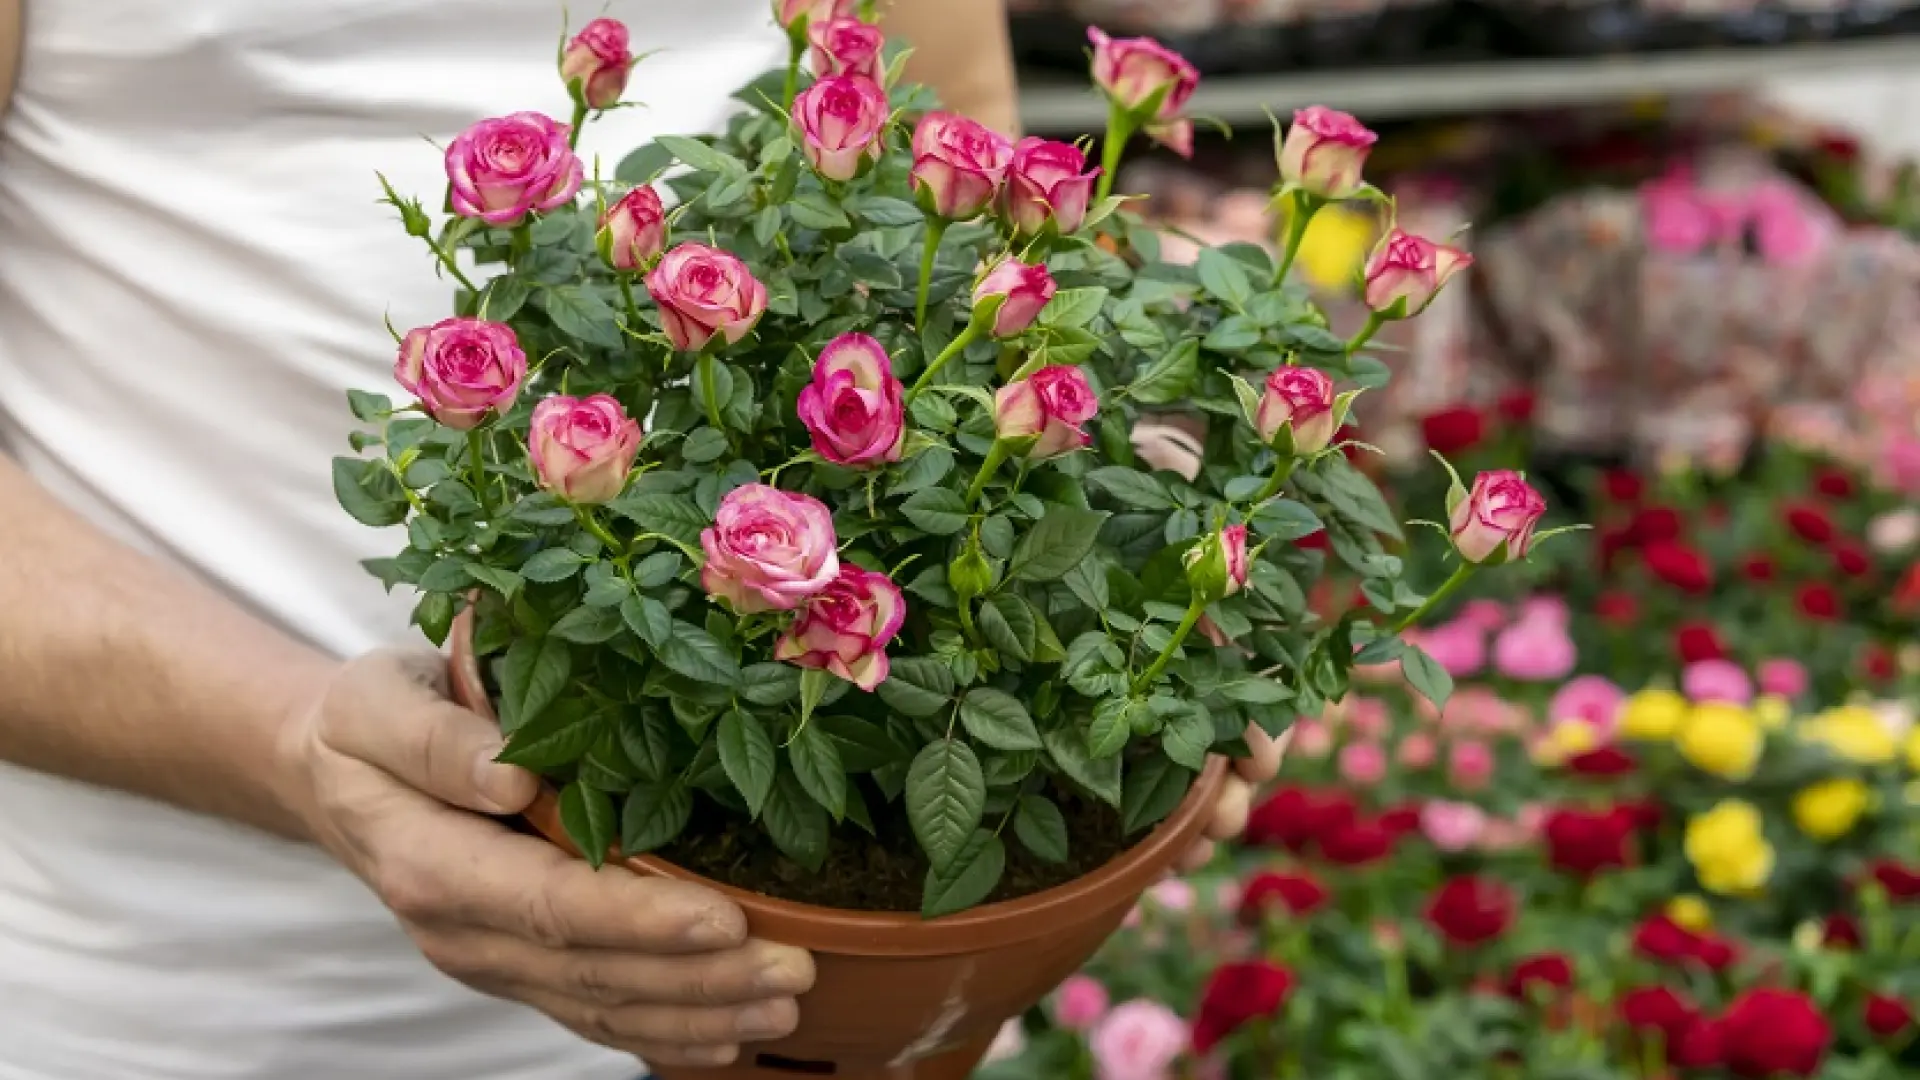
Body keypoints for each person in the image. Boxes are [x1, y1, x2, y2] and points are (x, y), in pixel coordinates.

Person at [0, 2, 1280, 1078]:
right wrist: (294, 753)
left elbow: (958, 138)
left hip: (823, 984)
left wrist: (1120, 486)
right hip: (175, 986)